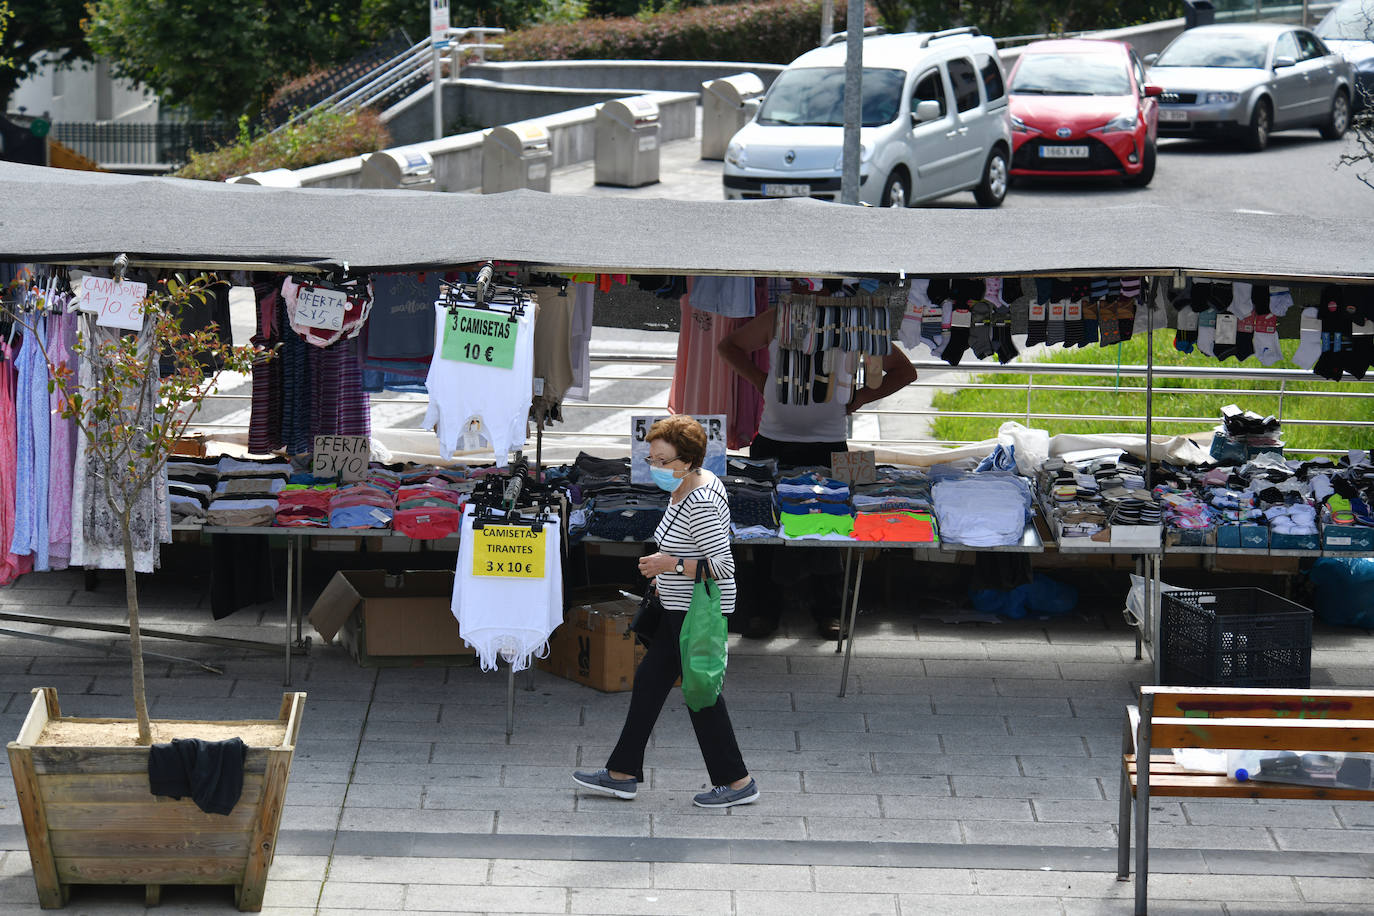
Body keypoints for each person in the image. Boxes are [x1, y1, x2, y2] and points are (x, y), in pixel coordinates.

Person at [572, 415, 759, 809]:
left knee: (701, 693)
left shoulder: (703, 500)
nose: (655, 468)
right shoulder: (684, 487)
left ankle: (737, 781)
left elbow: (722, 566)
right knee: (652, 684)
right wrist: (664, 574)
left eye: (663, 461)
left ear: (688, 461)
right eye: (651, 458)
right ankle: (622, 773)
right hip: (678, 607)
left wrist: (667, 566)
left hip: (696, 612)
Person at [717, 304, 918, 639]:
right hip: (772, 442)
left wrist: (863, 398)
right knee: (766, 526)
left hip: (829, 444)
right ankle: (766, 610)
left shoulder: (857, 323)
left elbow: (905, 371)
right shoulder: (780, 317)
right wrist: (759, 379)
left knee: (831, 525)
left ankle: (829, 610)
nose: (819, 292)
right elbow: (728, 347)